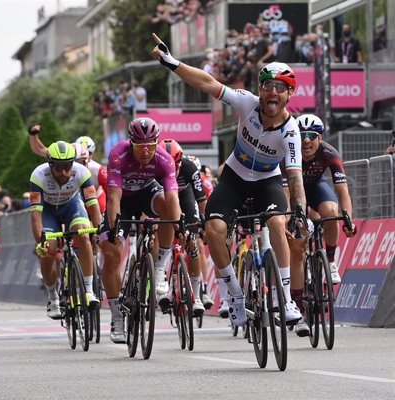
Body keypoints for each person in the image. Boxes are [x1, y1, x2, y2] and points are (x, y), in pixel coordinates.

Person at [152, 34, 307, 327]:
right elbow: (208, 83)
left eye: (280, 88)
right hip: (234, 177)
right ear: (260, 89)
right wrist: (172, 63)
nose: (272, 92)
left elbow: (295, 176)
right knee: (213, 229)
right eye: (267, 86)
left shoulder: (291, 131)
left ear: (289, 94)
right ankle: (234, 294)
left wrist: (298, 207)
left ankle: (285, 299)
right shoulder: (247, 103)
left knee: (277, 222)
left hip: (266, 181)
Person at [98, 117, 180, 343]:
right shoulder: (119, 154)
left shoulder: (164, 159)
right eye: (140, 146)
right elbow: (114, 198)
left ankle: (160, 265)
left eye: (150, 145)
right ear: (131, 143)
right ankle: (116, 316)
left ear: (157, 142)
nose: (145, 151)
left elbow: (173, 197)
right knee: (111, 251)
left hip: (146, 193)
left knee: (167, 209)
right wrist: (115, 230)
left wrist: (178, 223)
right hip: (123, 199)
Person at [285, 114, 357, 336]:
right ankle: (297, 306)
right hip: (293, 192)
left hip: (316, 189)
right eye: (302, 136)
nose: (306, 141)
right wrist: (289, 218)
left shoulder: (329, 153)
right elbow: (285, 194)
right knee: (297, 249)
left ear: (320, 138)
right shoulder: (287, 152)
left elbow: (342, 193)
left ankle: (331, 260)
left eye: (311, 137)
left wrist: (348, 220)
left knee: (332, 212)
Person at [30, 141, 102, 319]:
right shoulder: (38, 175)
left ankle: (88, 290)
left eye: (67, 167)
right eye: (59, 168)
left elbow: (93, 206)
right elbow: (36, 215)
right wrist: (41, 242)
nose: (63, 172)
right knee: (49, 249)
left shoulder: (81, 172)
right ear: (50, 164)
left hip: (72, 206)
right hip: (47, 211)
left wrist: (98, 230)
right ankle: (53, 296)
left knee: (84, 234)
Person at [162, 139, 206, 315]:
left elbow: (201, 199)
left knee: (192, 244)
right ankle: (164, 283)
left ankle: (196, 295)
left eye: (176, 164)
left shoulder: (189, 168)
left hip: (185, 197)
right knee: (158, 234)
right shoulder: (158, 167)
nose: (173, 169)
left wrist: (204, 222)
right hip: (165, 198)